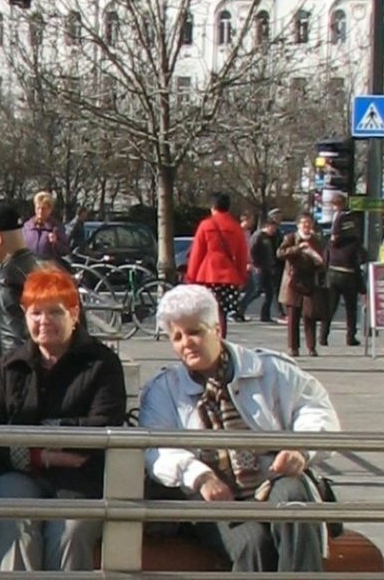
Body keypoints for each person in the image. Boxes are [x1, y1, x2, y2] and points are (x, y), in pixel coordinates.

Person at [139, 284, 341, 573]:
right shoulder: (164, 389)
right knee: (252, 543)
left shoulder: (270, 368)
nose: (187, 343)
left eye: (195, 332)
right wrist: (201, 477)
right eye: (177, 337)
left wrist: (300, 448)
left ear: (217, 328)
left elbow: (315, 408)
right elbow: (157, 448)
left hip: (273, 478)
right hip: (210, 495)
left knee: (294, 500)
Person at [0, 267, 127, 571]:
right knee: (15, 522)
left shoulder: (102, 364)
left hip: (81, 480)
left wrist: (36, 432)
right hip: (16, 473)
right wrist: (44, 455)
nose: (44, 321)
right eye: (36, 313)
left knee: (70, 531)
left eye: (55, 312)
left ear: (74, 313)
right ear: (24, 314)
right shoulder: (8, 366)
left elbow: (103, 426)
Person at [0, 205, 50, 356]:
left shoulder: (6, 281)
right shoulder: (51, 266)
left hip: (22, 374)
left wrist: (7, 377)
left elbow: (13, 344)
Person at [184, 193, 251, 325]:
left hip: (207, 275)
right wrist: (241, 276)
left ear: (213, 207)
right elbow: (242, 254)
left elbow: (197, 253)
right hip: (229, 276)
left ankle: (208, 341)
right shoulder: (235, 227)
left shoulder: (206, 225)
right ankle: (220, 340)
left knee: (207, 312)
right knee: (222, 314)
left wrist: (190, 276)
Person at [277, 214, 327, 358]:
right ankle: (293, 347)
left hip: (309, 281)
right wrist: (297, 248)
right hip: (293, 282)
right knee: (293, 317)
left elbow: (323, 258)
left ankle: (311, 347)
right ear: (298, 225)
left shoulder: (316, 240)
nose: (306, 226)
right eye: (304, 223)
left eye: (309, 223)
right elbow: (280, 253)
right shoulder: (291, 238)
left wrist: (319, 263)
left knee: (309, 315)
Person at [320, 209, 367, 348]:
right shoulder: (354, 242)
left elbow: (325, 259)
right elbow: (362, 259)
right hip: (349, 276)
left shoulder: (331, 243)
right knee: (351, 309)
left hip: (332, 275)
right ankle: (350, 336)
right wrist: (363, 288)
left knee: (329, 308)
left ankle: (323, 336)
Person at [249, 214, 284, 323]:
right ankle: (239, 309)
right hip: (259, 267)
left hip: (269, 267)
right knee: (257, 290)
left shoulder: (271, 237)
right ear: (267, 226)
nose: (274, 230)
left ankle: (265, 315)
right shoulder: (258, 236)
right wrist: (255, 264)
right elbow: (251, 251)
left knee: (270, 293)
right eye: (272, 228)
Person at [22, 191, 69, 260]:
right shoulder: (27, 227)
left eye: (44, 208)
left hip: (48, 268)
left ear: (50, 210)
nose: (40, 211)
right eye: (38, 208)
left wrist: (56, 243)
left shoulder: (56, 227)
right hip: (29, 267)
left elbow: (65, 250)